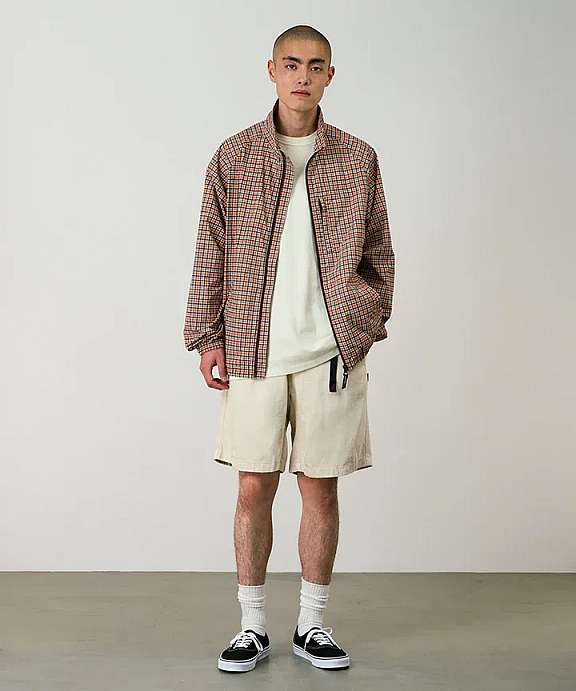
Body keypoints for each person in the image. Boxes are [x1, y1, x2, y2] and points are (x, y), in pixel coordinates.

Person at [183, 24, 395, 673]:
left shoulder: (357, 159)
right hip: (253, 347)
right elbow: (210, 249)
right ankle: (251, 626)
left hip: (331, 352)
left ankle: (312, 624)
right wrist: (207, 334)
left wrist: (361, 322)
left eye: (316, 65)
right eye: (293, 63)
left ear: (330, 75)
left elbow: (380, 253)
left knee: (320, 488)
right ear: (272, 69)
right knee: (253, 486)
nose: (303, 75)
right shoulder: (235, 156)